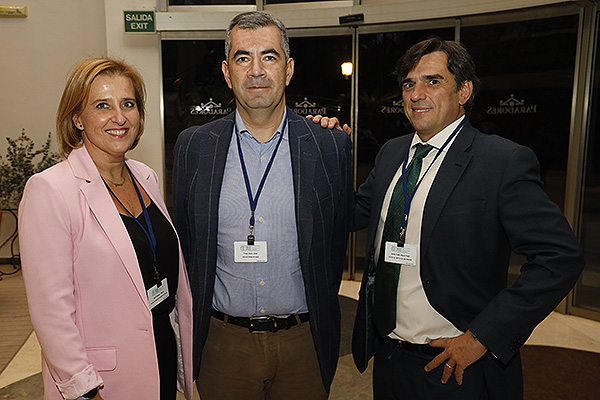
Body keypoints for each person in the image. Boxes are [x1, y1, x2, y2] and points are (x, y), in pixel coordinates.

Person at [351, 37, 584, 399]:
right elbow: (352, 212)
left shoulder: (501, 162)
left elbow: (561, 257)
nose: (416, 94)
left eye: (433, 81)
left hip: (457, 367)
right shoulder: (391, 153)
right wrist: (324, 150)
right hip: (390, 359)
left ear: (464, 91)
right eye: (408, 83)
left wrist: (480, 339)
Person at [173, 11, 353, 400]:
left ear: (288, 69)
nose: (256, 70)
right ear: (226, 70)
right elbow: (186, 246)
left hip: (303, 343)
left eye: (269, 57)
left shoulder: (328, 145)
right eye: (243, 58)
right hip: (222, 344)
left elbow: (336, 241)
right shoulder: (194, 147)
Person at [19, 58, 194, 400]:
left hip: (160, 358)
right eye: (102, 105)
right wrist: (85, 389)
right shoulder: (51, 190)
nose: (119, 117)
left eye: (127, 104)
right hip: (102, 382)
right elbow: (51, 310)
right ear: (77, 119)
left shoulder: (145, 176)